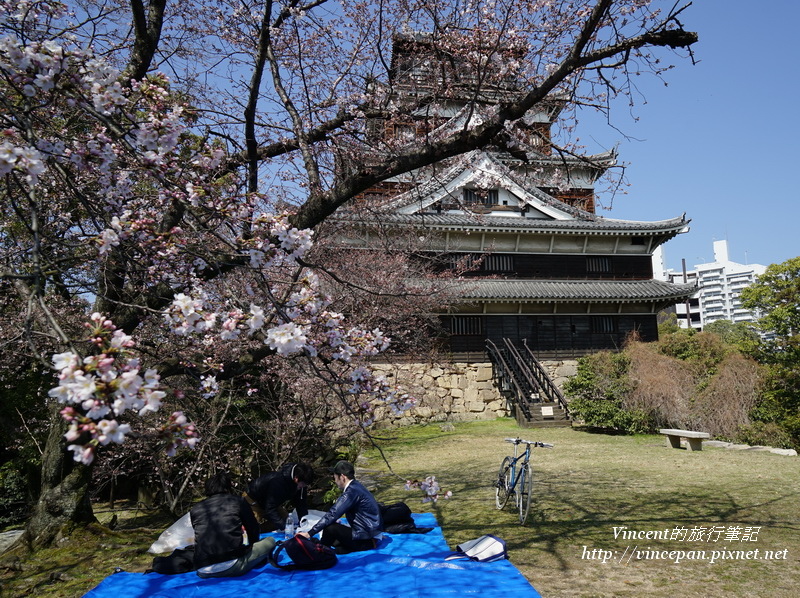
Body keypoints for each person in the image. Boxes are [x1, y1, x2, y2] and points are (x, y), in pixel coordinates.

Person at [190, 472, 275, 578]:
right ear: (228, 487)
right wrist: (252, 545)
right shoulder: (238, 501)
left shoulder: (196, 508)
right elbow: (253, 528)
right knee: (270, 541)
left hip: (202, 569)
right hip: (232, 565)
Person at [299, 460, 383, 554]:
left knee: (330, 527)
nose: (335, 481)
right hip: (369, 534)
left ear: (342, 477)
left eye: (335, 478)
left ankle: (320, 551)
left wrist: (309, 533)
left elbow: (333, 514)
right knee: (335, 542)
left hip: (366, 538)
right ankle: (331, 548)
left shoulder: (351, 492)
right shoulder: (357, 486)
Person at [244, 462, 313, 531]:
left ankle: (259, 531)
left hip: (269, 502)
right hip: (252, 500)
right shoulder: (278, 481)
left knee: (285, 520)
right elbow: (270, 509)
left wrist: (304, 522)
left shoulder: (300, 485)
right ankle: (252, 532)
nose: (304, 486)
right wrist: (284, 528)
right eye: (303, 484)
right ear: (296, 479)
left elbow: (301, 504)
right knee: (248, 527)